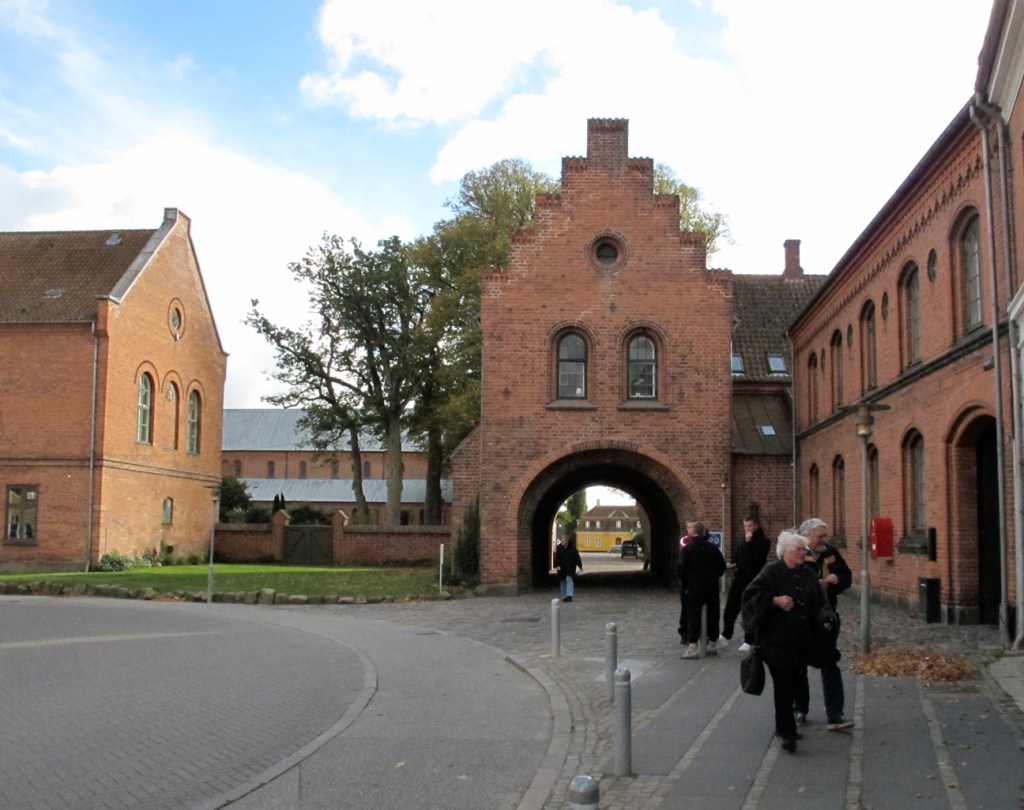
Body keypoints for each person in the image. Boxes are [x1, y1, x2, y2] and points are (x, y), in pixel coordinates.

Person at [742, 530, 828, 753]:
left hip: (801, 641)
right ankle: (788, 733)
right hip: (774, 641)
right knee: (783, 684)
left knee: (794, 681)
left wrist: (827, 619)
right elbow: (750, 596)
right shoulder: (771, 571)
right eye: (798, 549)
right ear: (786, 551)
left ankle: (783, 726)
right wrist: (774, 601)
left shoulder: (809, 574)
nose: (802, 553)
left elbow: (820, 604)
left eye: (804, 549)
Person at [793, 518, 854, 731]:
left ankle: (835, 713)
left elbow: (847, 576)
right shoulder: (797, 554)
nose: (824, 540)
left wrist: (838, 579)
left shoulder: (830, 553)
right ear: (807, 536)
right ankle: (799, 708)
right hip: (803, 618)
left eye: (825, 536)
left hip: (827, 616)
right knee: (799, 664)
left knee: (830, 662)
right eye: (820, 536)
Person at [718, 512, 771, 652]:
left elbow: (756, 559)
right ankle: (726, 633)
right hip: (739, 577)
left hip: (753, 579)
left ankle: (749, 639)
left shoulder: (763, 541)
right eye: (745, 526)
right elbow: (739, 556)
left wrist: (749, 543)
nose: (747, 528)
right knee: (731, 606)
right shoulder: (744, 540)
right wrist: (732, 563)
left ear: (756, 526)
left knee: (749, 610)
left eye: (750, 526)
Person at [679, 521, 726, 659]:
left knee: (693, 616)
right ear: (705, 532)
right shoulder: (713, 549)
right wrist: (713, 577)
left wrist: (686, 583)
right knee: (713, 614)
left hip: (693, 588)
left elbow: (680, 569)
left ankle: (693, 647)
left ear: (693, 533)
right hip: (711, 587)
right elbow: (722, 567)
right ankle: (712, 644)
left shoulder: (687, 549)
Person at [677, 521, 698, 643]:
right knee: (686, 609)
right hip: (687, 581)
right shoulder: (684, 541)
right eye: (689, 527)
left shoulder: (704, 541)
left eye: (694, 527)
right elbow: (685, 551)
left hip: (699, 581)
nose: (691, 529)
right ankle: (685, 632)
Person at [554, 531, 583, 602]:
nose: (562, 542)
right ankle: (565, 595)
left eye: (563, 540)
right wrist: (557, 565)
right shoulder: (559, 548)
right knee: (562, 582)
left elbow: (577, 558)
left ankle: (569, 596)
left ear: (567, 541)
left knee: (569, 580)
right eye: (562, 540)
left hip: (570, 567)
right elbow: (557, 558)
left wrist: (580, 566)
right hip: (561, 568)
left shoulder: (572, 549)